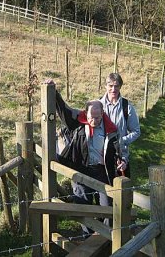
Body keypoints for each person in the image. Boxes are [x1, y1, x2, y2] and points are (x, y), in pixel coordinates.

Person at [48, 79, 124, 235]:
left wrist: (121, 161)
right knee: (83, 205)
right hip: (81, 169)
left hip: (103, 172)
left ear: (102, 114)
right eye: (91, 117)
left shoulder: (111, 130)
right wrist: (54, 91)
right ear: (86, 114)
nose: (93, 121)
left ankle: (104, 236)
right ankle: (87, 236)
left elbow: (117, 151)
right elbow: (64, 110)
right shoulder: (79, 123)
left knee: (108, 206)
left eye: (97, 118)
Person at [99, 73, 140, 177]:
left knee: (122, 191)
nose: (113, 89)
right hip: (100, 160)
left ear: (120, 87)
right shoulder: (98, 106)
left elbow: (136, 132)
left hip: (121, 161)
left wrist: (121, 141)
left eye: (116, 86)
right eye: (110, 86)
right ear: (105, 86)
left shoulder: (127, 107)